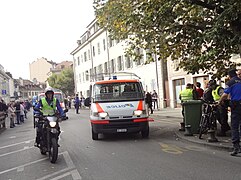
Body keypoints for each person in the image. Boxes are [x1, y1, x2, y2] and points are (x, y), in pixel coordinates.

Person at [219, 70, 241, 156]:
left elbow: (225, 95)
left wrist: (220, 101)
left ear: (229, 75)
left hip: (236, 106)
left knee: (234, 127)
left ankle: (236, 147)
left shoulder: (230, 82)